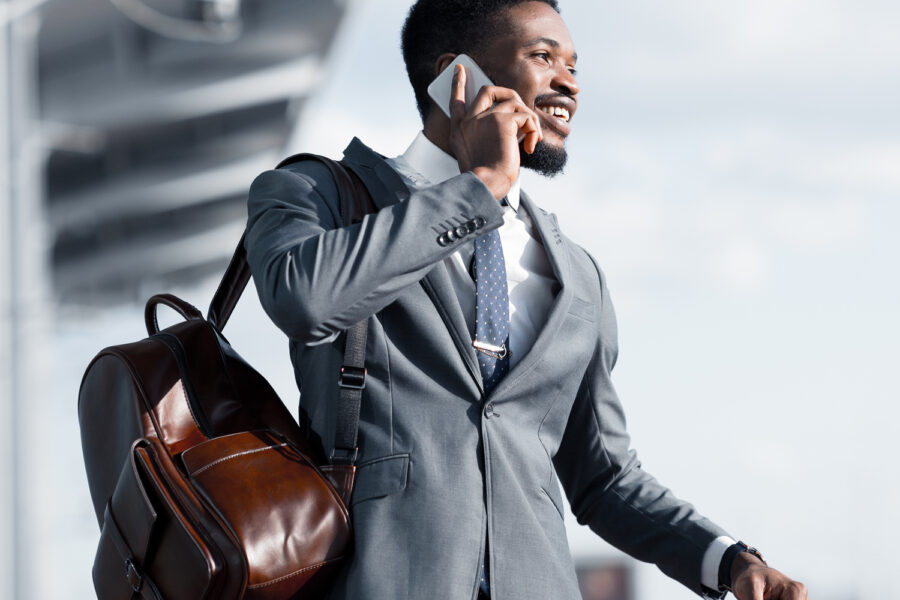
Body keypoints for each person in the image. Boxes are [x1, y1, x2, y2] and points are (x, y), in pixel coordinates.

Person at [244, 1, 809, 599]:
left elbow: (604, 478)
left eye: (574, 65)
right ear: (455, 76)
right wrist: (479, 188)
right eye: (543, 56)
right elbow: (304, 300)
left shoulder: (577, 274)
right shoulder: (316, 194)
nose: (569, 81)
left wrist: (727, 561)